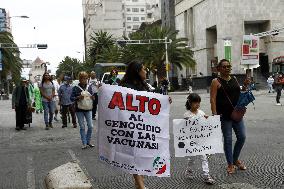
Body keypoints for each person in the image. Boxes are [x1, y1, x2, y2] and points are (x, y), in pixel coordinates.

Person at [120, 61, 172, 189]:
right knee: (134, 156)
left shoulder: (145, 85)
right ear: (137, 71)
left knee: (142, 156)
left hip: (145, 127)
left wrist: (165, 100)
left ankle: (139, 184)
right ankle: (141, 186)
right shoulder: (125, 86)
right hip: (131, 126)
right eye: (144, 69)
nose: (146, 71)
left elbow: (152, 99)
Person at [210, 59, 248, 174]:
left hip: (236, 114)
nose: (227, 68)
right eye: (224, 66)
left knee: (242, 137)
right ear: (219, 69)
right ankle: (230, 164)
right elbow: (212, 99)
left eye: (228, 66)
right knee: (228, 140)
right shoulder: (215, 81)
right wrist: (214, 114)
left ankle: (235, 159)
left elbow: (240, 92)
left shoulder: (235, 79)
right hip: (224, 115)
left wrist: (245, 86)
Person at [184, 93, 215, 184]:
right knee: (192, 158)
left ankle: (206, 175)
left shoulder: (201, 113)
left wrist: (208, 119)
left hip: (201, 140)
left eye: (198, 102)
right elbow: (184, 127)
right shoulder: (186, 115)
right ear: (190, 103)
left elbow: (205, 122)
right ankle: (189, 170)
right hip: (192, 141)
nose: (197, 104)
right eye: (195, 102)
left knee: (204, 157)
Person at [71, 71, 95, 149]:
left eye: (86, 78)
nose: (85, 80)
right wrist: (78, 97)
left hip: (88, 108)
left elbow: (92, 96)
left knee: (90, 126)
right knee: (82, 126)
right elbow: (71, 98)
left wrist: (93, 98)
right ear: (80, 79)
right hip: (79, 110)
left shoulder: (89, 87)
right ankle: (84, 143)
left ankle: (88, 141)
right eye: (83, 78)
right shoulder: (75, 88)